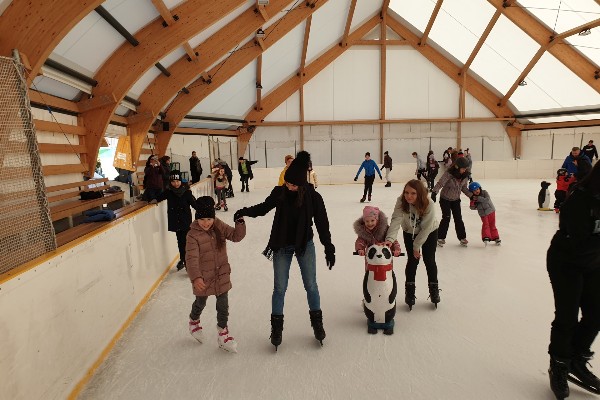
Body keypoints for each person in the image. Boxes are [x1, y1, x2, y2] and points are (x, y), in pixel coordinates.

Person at [233, 151, 335, 349]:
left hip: (304, 244)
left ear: (302, 183)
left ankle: (317, 325)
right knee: (279, 288)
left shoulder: (313, 197)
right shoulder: (279, 192)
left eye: (294, 185)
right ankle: (277, 329)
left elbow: (322, 224)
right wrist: (244, 211)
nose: (289, 187)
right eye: (288, 183)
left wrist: (328, 247)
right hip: (282, 245)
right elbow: (263, 208)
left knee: (311, 286)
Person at [546, 161, 600, 399]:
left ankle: (576, 358)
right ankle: (559, 363)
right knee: (567, 316)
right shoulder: (580, 200)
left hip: (594, 262)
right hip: (566, 263)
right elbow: (580, 241)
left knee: (596, 313)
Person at [185, 196, 246, 353]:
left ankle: (222, 333)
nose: (206, 223)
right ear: (197, 218)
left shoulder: (218, 225)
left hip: (221, 274)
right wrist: (196, 277)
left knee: (223, 305)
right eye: (202, 219)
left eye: (209, 218)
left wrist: (239, 223)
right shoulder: (192, 235)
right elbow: (191, 258)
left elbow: (236, 236)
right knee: (200, 302)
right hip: (203, 278)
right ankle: (194, 320)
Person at [385, 179, 441, 310]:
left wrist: (417, 247)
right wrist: (390, 239)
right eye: (406, 192)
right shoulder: (401, 201)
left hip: (430, 232)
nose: (408, 196)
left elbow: (426, 228)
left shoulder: (429, 204)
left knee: (429, 260)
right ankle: (410, 292)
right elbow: (396, 219)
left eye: (413, 193)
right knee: (412, 261)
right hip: (410, 231)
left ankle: (434, 290)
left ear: (419, 194)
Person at [157, 170, 198, 271]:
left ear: (181, 181)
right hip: (176, 222)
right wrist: (148, 198)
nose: (176, 184)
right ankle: (184, 259)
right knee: (180, 242)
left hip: (186, 221)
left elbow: (195, 204)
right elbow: (157, 198)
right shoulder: (168, 192)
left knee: (187, 242)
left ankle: (188, 261)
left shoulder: (187, 192)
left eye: (177, 181)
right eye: (173, 181)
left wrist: (204, 210)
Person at [430, 156, 472, 247]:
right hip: (445, 199)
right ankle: (440, 237)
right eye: (463, 168)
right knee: (446, 217)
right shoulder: (449, 174)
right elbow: (440, 183)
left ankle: (462, 238)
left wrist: (472, 197)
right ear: (457, 167)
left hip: (456, 200)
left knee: (458, 218)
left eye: (466, 168)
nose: (465, 170)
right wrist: (434, 192)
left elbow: (464, 188)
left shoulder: (465, 176)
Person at [468, 182, 500, 246]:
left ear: (480, 188)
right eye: (474, 190)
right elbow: (472, 208)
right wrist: (472, 202)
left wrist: (478, 198)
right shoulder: (473, 198)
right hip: (483, 214)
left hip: (491, 211)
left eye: (477, 189)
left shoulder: (484, 193)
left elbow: (487, 200)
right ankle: (486, 237)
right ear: (472, 192)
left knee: (492, 224)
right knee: (486, 224)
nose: (477, 191)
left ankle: (495, 237)